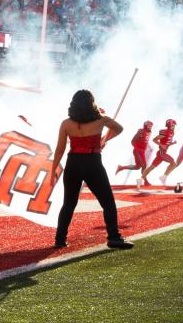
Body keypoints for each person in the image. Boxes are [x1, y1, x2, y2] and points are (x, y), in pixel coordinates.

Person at [52, 90, 134, 250]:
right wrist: (104, 140)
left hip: (73, 163)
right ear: (92, 104)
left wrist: (52, 169)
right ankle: (114, 237)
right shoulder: (101, 120)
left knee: (68, 204)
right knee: (108, 202)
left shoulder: (66, 123)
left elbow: (60, 149)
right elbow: (119, 128)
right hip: (92, 163)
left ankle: (59, 240)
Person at [142, 119, 177, 186]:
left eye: (174, 125)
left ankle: (140, 180)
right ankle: (163, 177)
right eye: (172, 125)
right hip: (162, 153)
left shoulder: (172, 132)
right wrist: (161, 145)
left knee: (151, 167)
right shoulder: (165, 132)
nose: (173, 126)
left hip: (161, 153)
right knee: (173, 164)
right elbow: (154, 140)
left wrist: (172, 143)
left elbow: (166, 143)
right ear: (169, 125)